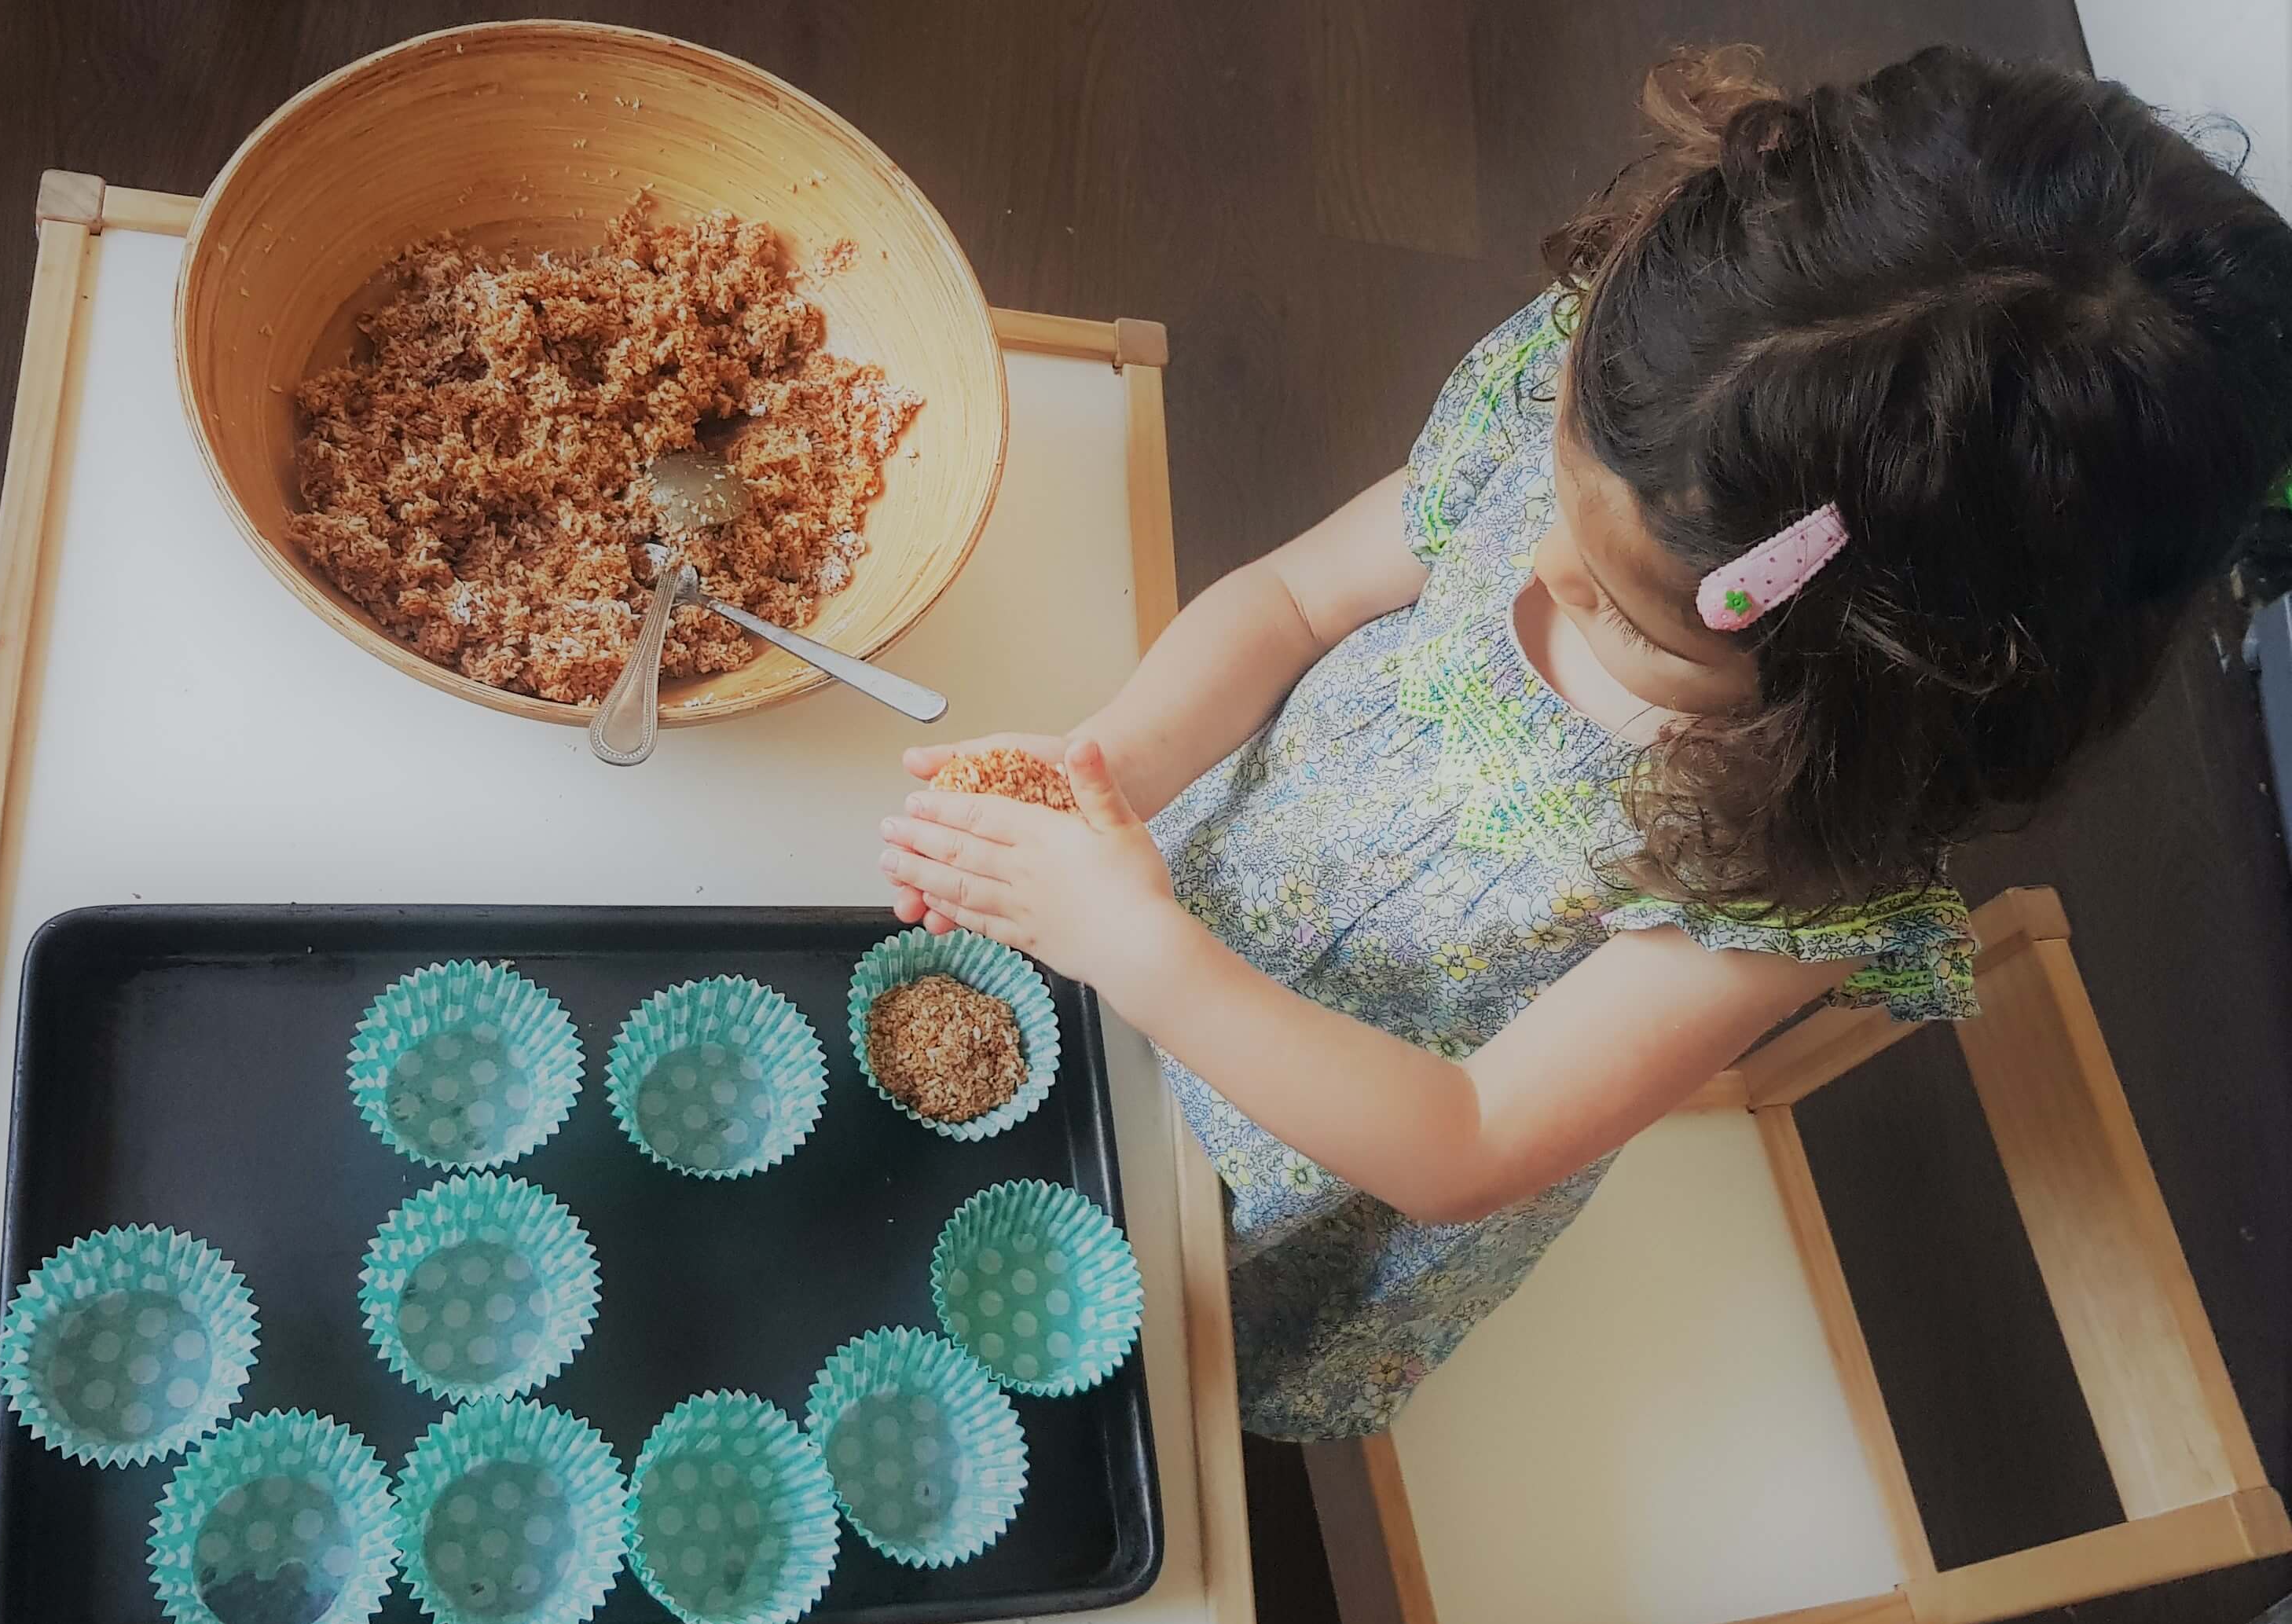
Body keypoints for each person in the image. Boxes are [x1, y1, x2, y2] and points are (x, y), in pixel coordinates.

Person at [875, 45, 2292, 1439]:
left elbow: (1470, 1137)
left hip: (1332, 1136)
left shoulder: (1795, 864)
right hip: (1181, 887)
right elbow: (1295, 598)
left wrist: (1141, 954)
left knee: (1126, 1343)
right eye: (1555, 491)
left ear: (1864, 692)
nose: (1539, 561)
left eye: (1626, 613)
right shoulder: (1649, 432)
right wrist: (1108, 768)